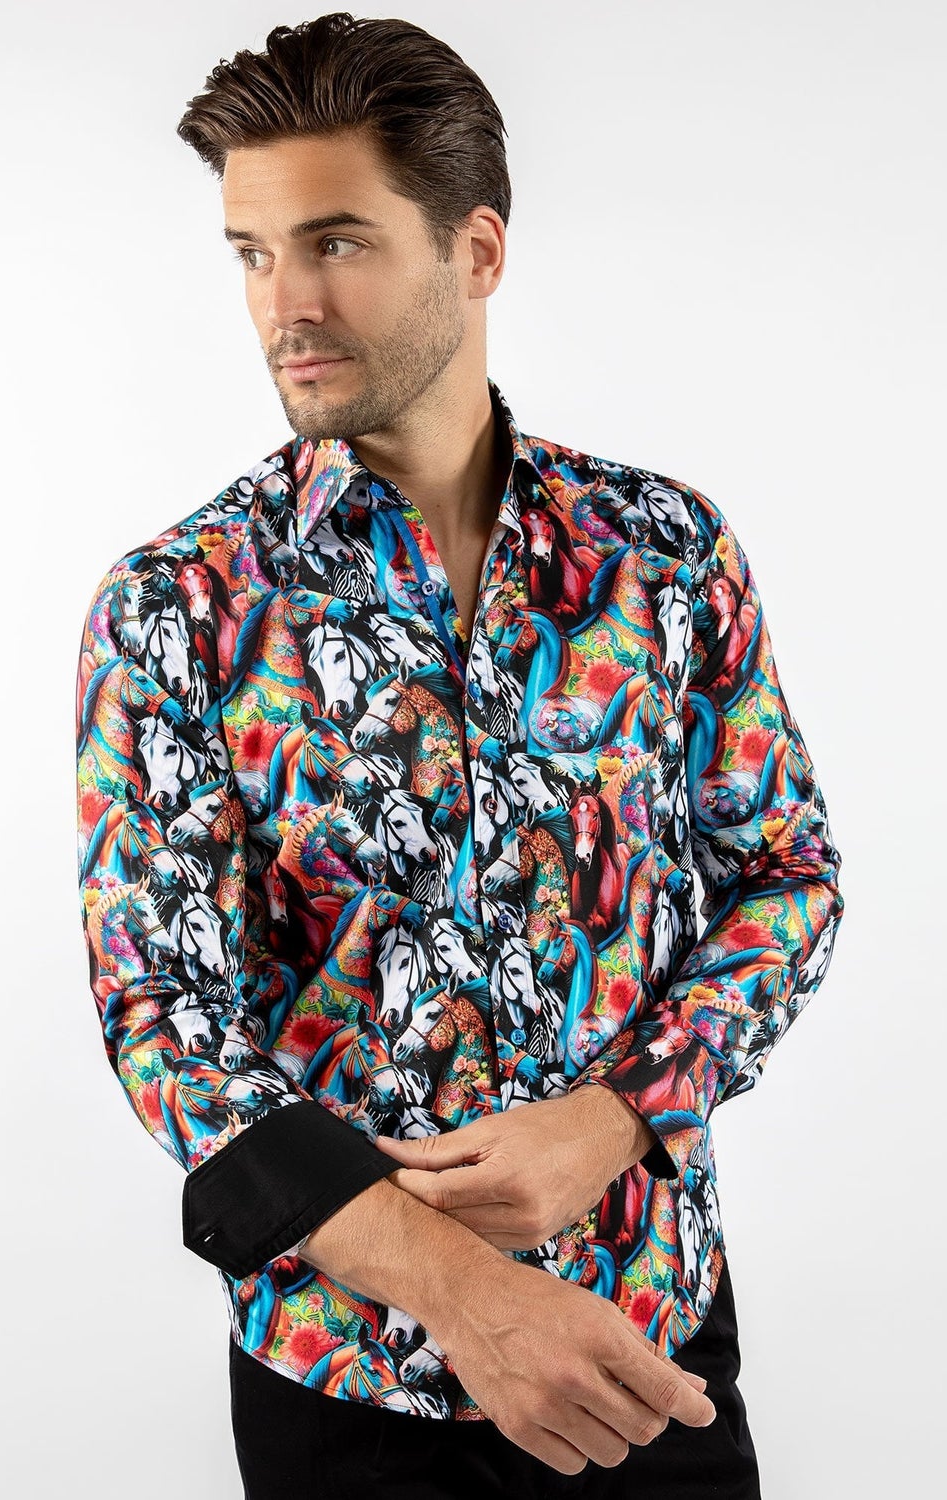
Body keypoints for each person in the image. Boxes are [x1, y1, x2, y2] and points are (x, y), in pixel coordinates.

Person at [74, 13, 845, 1498]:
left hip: (649, 1346)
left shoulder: (663, 555)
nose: (286, 303)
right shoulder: (179, 606)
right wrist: (463, 1293)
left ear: (476, 250)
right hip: (349, 1387)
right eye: (251, 253)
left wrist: (617, 1117)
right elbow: (164, 1016)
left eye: (337, 242)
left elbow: (787, 875)